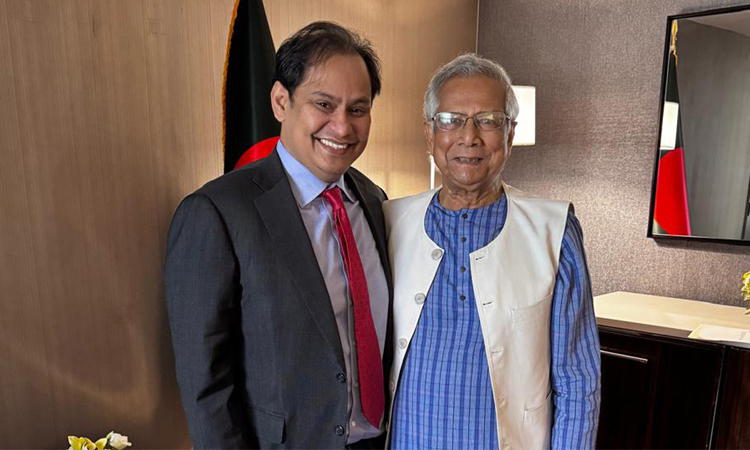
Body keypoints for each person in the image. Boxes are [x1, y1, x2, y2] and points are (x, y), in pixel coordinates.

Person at [164, 22, 392, 449]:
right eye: (323, 104)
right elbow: (205, 383)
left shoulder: (375, 200)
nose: (342, 126)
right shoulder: (216, 212)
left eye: (358, 109)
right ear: (280, 101)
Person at [384, 54, 601, 449]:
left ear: (509, 136)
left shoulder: (553, 230)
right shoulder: (388, 221)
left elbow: (577, 380)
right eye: (451, 120)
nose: (469, 136)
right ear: (430, 134)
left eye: (488, 120)